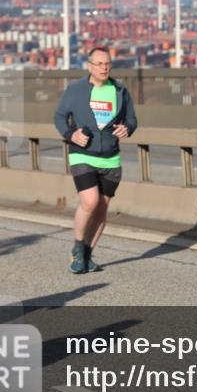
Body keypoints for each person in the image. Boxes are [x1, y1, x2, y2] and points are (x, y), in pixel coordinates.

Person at [54, 47, 137, 274]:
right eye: (99, 64)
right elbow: (59, 116)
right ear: (89, 66)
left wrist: (127, 128)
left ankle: (89, 253)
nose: (104, 68)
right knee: (90, 201)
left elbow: (131, 118)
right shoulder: (76, 90)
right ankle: (78, 248)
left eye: (108, 63)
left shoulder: (119, 90)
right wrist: (71, 134)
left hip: (110, 157)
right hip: (83, 153)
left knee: (102, 208)